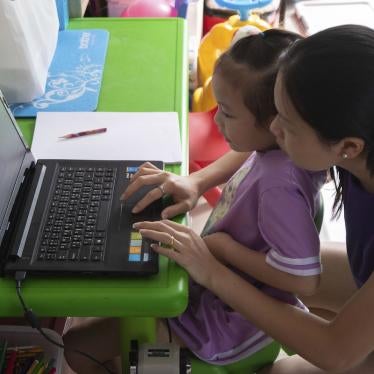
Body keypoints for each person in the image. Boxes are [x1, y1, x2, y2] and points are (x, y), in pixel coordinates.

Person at [63, 28, 326, 372]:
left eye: (228, 114)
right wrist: (195, 182)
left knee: (76, 346)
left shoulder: (280, 187)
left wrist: (221, 248)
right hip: (221, 294)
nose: (216, 120)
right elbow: (254, 154)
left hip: (228, 322)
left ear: (277, 123)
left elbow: (303, 280)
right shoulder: (286, 148)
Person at [134, 25, 374, 373]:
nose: (273, 131)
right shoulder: (356, 125)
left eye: (286, 126)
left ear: (348, 147)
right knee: (279, 273)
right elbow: (271, 144)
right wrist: (197, 181)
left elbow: (334, 351)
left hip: (339, 346)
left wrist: (213, 271)